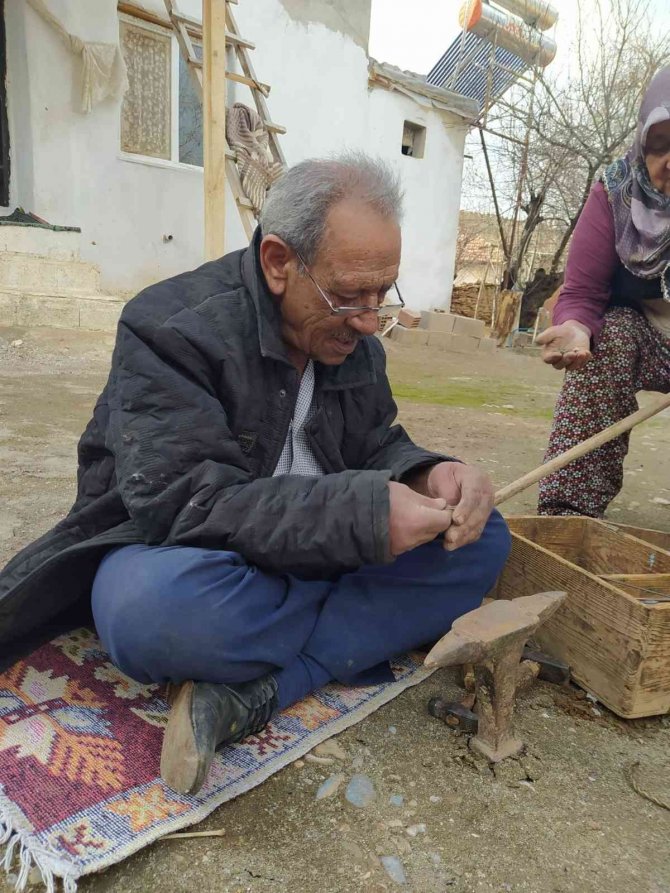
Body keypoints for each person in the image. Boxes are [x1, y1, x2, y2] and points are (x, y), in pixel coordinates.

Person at [0, 154, 510, 795]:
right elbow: (188, 505)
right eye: (349, 296)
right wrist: (363, 519)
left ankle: (264, 690)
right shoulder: (169, 329)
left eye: (384, 295)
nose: (369, 319)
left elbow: (375, 442)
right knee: (147, 614)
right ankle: (351, 631)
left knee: (486, 538)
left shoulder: (356, 346)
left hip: (305, 561)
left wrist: (430, 475)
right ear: (278, 262)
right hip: (189, 552)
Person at [536, 67, 670, 517]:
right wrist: (575, 329)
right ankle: (568, 512)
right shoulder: (615, 192)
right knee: (608, 334)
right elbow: (583, 292)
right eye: (660, 145)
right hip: (653, 340)